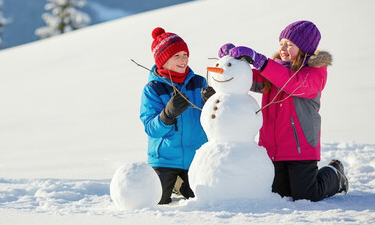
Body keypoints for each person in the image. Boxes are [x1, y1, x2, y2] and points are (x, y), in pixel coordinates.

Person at [217, 20, 349, 202]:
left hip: (300, 147)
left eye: (289, 44)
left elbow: (292, 83)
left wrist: (260, 61)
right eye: (281, 43)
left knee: (306, 195)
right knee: (280, 195)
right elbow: (247, 80)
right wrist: (232, 62)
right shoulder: (273, 69)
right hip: (272, 148)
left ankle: (335, 173)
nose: (283, 48)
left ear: (304, 48)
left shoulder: (314, 72)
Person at [140, 27, 209, 204]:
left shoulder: (198, 82)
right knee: (159, 199)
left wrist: (214, 103)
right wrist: (167, 115)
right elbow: (150, 128)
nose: (183, 59)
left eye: (185, 54)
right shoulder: (153, 89)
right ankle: (174, 182)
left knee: (199, 197)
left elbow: (211, 120)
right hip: (164, 158)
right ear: (162, 61)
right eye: (176, 56)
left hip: (196, 156)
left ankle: (181, 184)